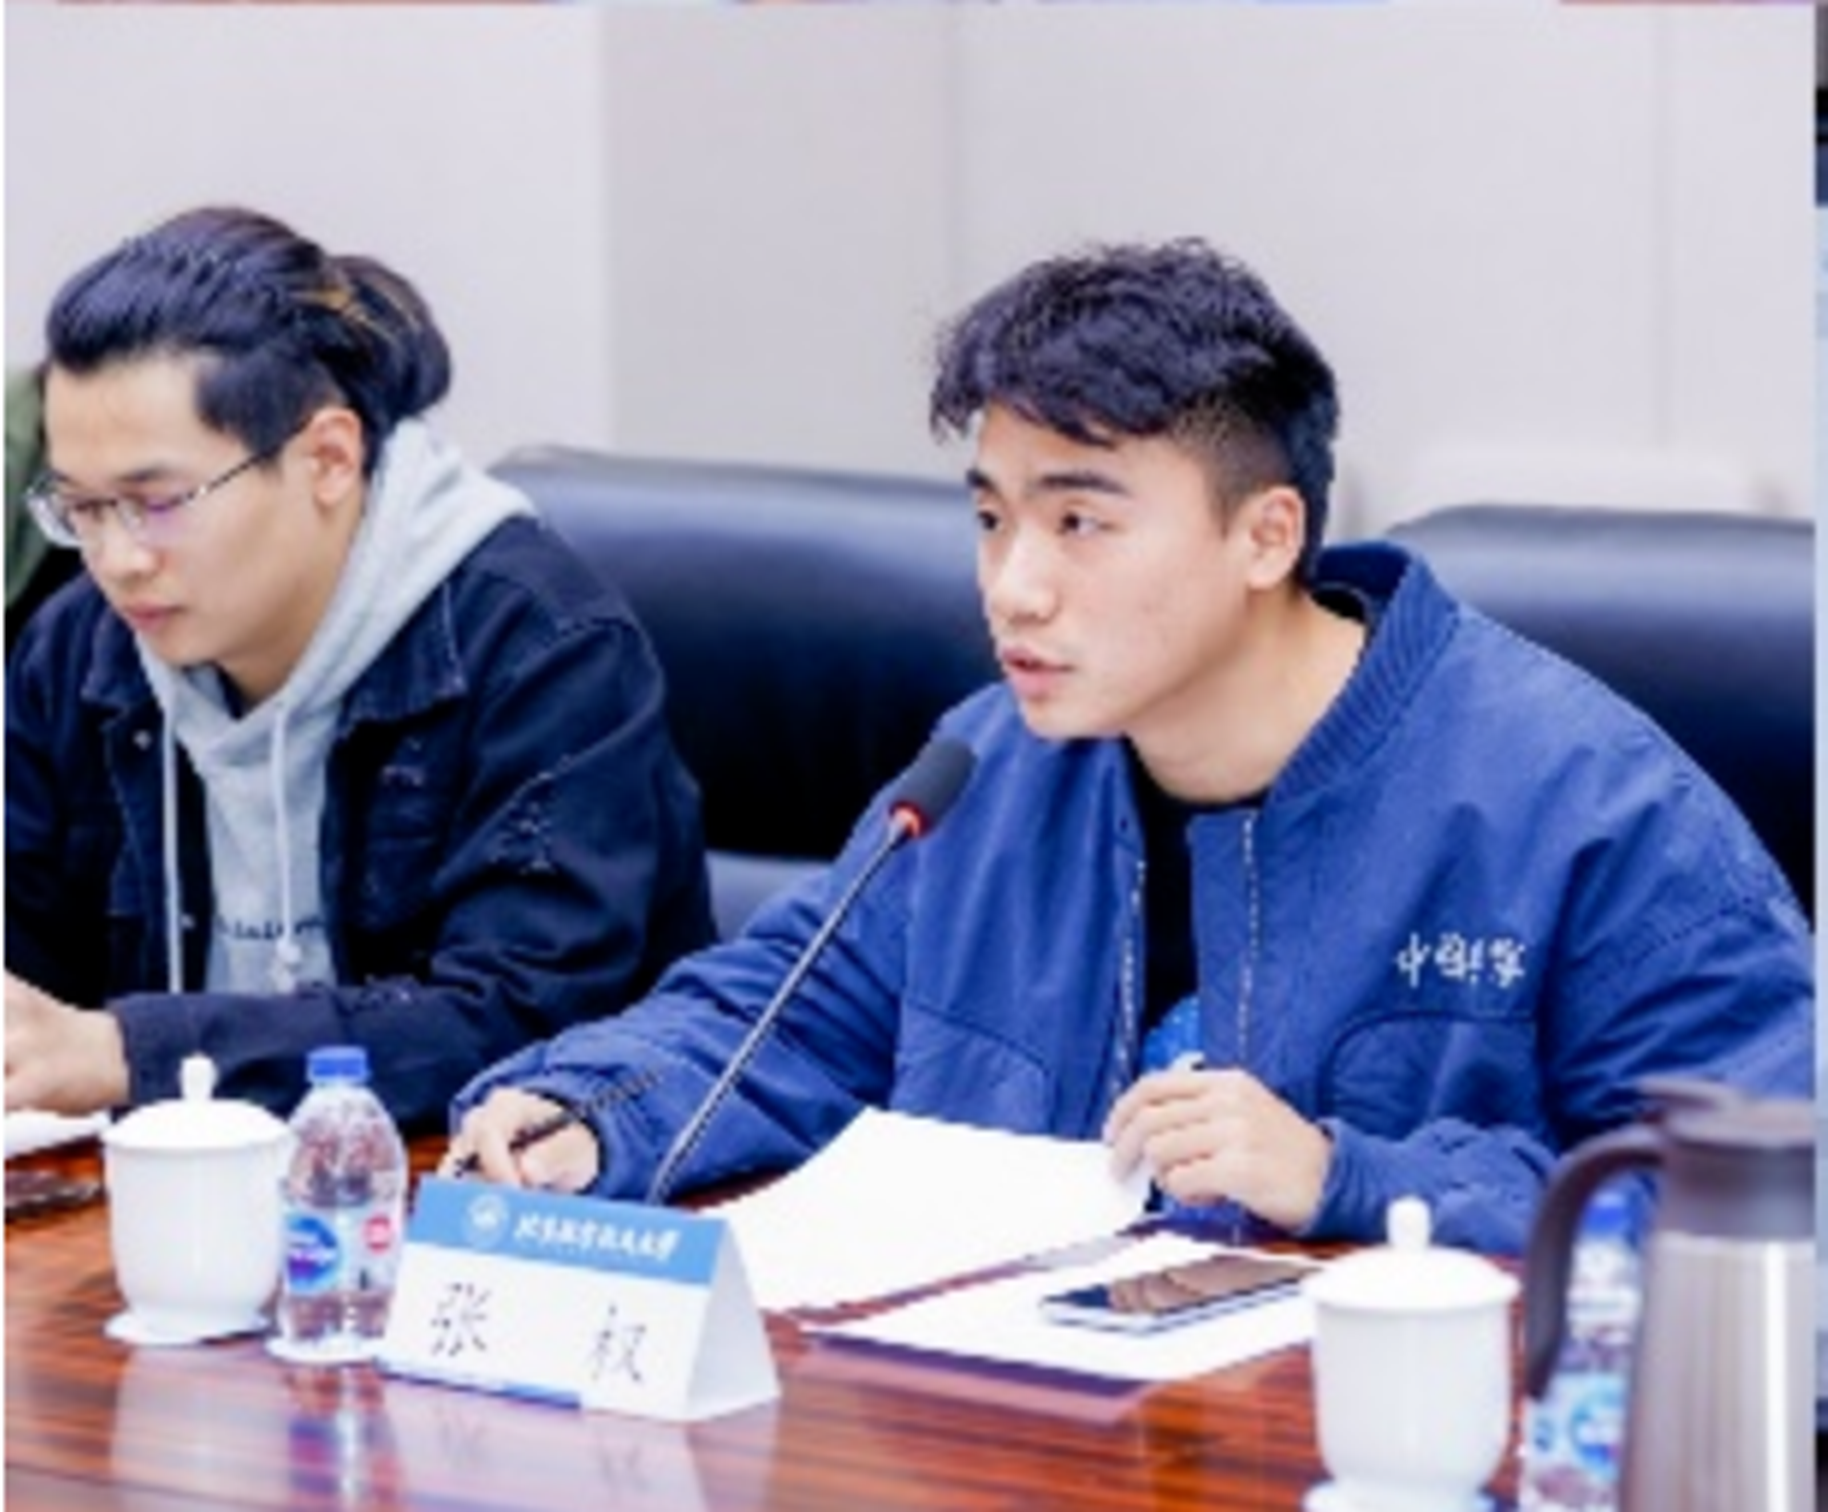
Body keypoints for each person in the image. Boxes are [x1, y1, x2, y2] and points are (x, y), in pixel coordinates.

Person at [444, 239, 1812, 1252]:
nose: (1013, 588)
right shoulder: (986, 769)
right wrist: (589, 1113)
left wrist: (1350, 1175)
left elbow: (1758, 1201)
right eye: (992, 520)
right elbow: (782, 1015)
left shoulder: (1579, 801)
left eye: (1080, 523)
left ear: (1266, 535)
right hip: (1028, 1433)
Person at [5, 206, 716, 1131]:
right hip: (162, 1196)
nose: (118, 559)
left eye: (158, 502)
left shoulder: (541, 648)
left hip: (486, 1192)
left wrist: (129, 1054)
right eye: (82, 508)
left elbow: (519, 1018)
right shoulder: (81, 648)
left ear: (328, 459)